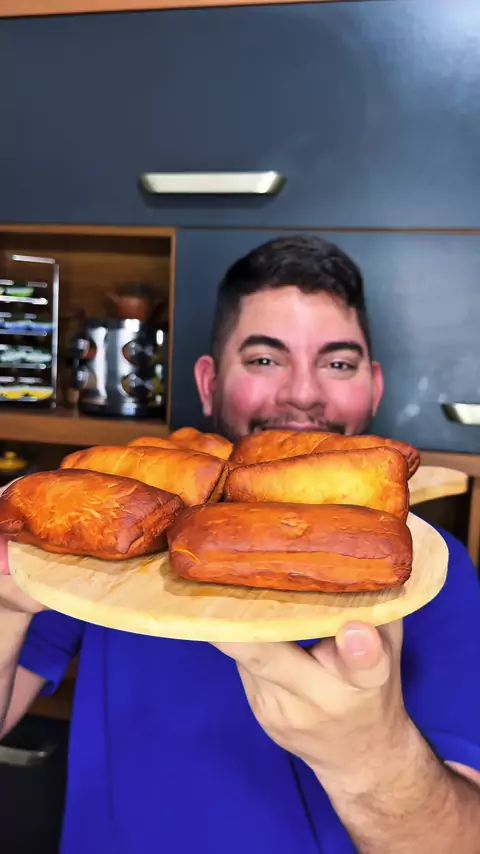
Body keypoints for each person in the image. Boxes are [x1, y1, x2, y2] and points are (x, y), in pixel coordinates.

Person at [1, 235, 480, 854]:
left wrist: (372, 761)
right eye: (264, 359)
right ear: (208, 381)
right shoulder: (113, 541)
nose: (303, 394)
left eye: (338, 364)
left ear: (374, 386)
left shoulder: (433, 572)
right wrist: (6, 606)